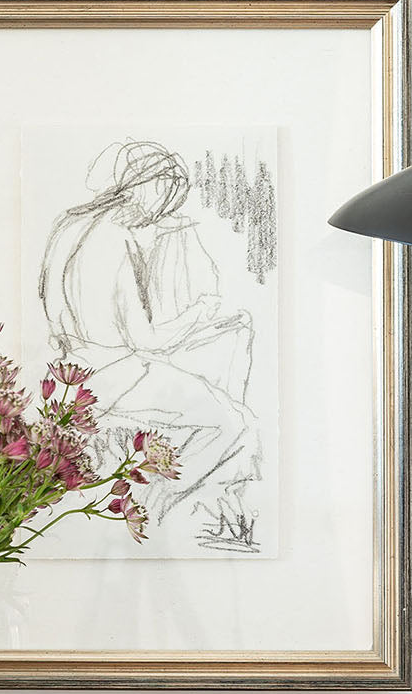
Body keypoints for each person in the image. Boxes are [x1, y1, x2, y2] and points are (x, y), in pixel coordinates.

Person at [39, 140, 263, 547]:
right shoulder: (116, 240)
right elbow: (146, 340)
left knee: (202, 374)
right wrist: (200, 313)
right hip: (118, 375)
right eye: (165, 195)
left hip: (73, 372)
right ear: (148, 185)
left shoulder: (70, 227)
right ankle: (156, 503)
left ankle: (155, 496)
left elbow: (58, 315)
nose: (164, 210)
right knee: (235, 423)